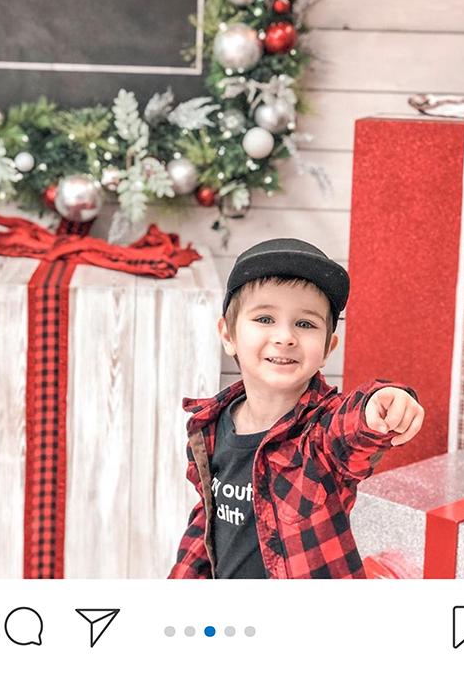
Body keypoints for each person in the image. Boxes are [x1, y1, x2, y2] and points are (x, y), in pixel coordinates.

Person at [168, 237, 425, 579]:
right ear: (228, 335)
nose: (285, 337)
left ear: (327, 348)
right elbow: (208, 524)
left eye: (305, 324)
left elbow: (351, 426)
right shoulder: (211, 428)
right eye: (264, 318)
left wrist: (382, 402)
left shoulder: (322, 434)